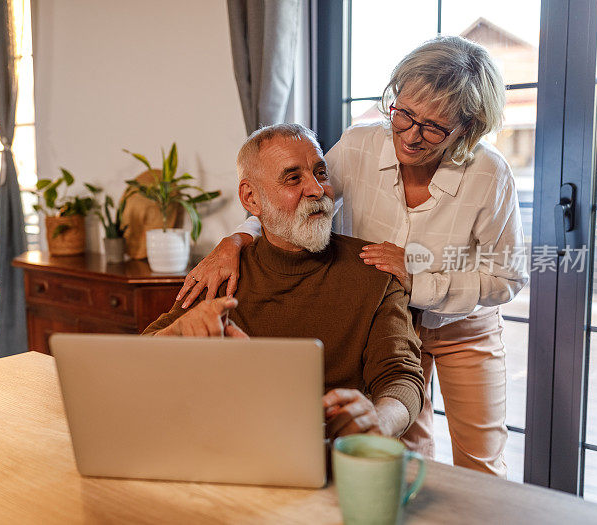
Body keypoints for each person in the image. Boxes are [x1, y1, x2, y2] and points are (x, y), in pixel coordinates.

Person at [176, 36, 529, 477]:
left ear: (467, 129)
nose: (411, 136)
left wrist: (418, 278)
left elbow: (507, 277)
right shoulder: (363, 144)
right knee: (402, 452)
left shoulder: (488, 174)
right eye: (403, 114)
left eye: (434, 127)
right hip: (392, 318)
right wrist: (235, 241)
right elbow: (302, 197)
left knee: (480, 462)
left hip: (462, 324)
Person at [143, 123, 425, 441]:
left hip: (326, 450)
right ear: (251, 199)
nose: (318, 190)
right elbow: (140, 355)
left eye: (320, 173)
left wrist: (379, 420)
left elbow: (402, 378)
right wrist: (177, 333)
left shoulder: (374, 274)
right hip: (224, 442)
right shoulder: (222, 274)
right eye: (293, 178)